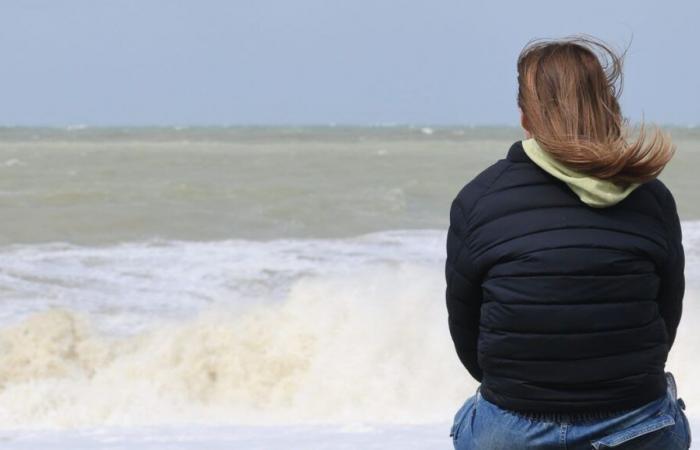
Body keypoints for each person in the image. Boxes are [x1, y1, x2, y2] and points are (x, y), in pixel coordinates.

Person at [445, 35, 691, 449]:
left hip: (516, 428)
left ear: (526, 116)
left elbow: (468, 335)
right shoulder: (650, 197)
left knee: (471, 416)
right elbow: (666, 317)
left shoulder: (479, 198)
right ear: (606, 107)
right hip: (636, 425)